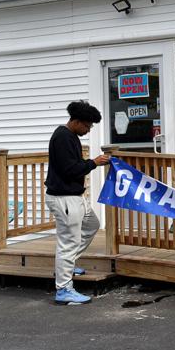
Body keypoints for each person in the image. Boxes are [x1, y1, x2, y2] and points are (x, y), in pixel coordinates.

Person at [45, 101, 111, 304]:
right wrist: (94, 163)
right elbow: (69, 169)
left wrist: (91, 163)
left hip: (74, 196)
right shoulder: (62, 137)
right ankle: (64, 289)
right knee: (68, 243)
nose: (89, 129)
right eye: (87, 125)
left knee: (92, 226)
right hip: (64, 198)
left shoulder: (70, 136)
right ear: (76, 121)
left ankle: (67, 265)